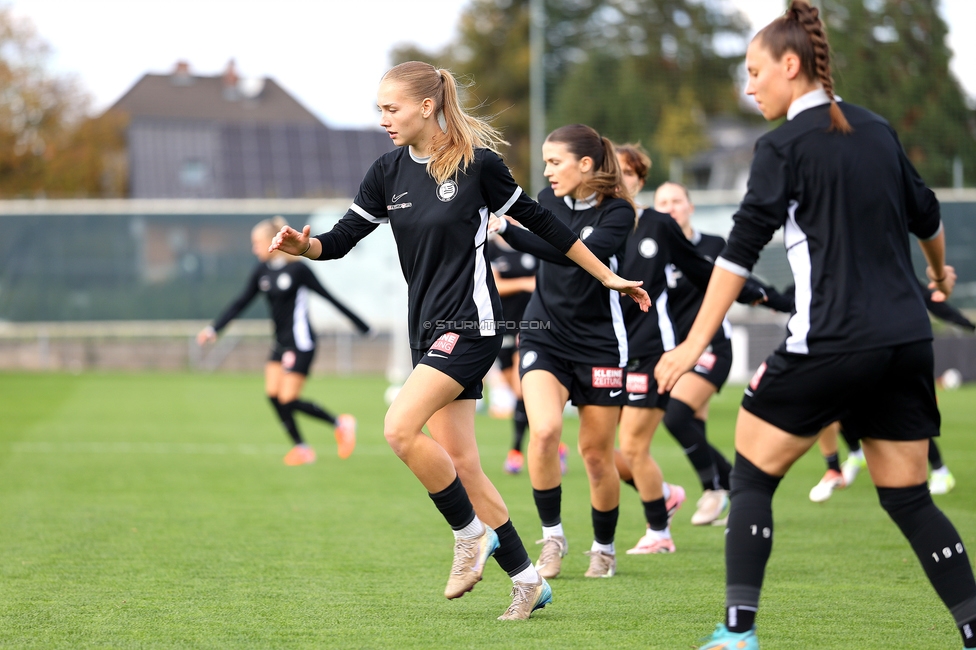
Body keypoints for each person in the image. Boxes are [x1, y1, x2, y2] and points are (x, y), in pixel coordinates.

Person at [269, 63, 650, 620]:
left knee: (399, 428)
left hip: (472, 326)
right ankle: (527, 581)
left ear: (427, 106)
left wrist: (606, 275)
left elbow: (546, 225)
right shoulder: (386, 171)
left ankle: (470, 535)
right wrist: (306, 248)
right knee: (463, 464)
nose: (383, 120)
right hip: (426, 329)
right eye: (379, 109)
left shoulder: (478, 166)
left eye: (391, 109)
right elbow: (342, 240)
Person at [655, 3, 976, 647]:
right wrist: (939, 275)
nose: (749, 87)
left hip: (833, 339)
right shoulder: (878, 130)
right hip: (908, 338)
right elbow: (929, 213)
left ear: (791, 65)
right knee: (910, 499)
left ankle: (738, 632)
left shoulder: (781, 146)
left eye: (754, 72)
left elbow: (737, 254)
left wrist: (691, 344)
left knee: (749, 474)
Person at [612, 144, 777, 554]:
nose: (670, 207)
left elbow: (727, 279)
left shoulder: (691, 238)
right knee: (611, 454)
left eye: (676, 201)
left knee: (676, 417)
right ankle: (683, 491)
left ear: (688, 205)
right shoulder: (611, 228)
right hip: (628, 350)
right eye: (664, 202)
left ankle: (716, 488)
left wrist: (769, 297)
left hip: (697, 349)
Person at [490, 124, 637, 579]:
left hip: (600, 344)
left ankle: (604, 547)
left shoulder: (619, 213)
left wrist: (510, 233)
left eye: (555, 162)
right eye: (546, 162)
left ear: (586, 164)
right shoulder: (545, 200)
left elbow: (577, 253)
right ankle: (552, 538)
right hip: (544, 335)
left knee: (596, 455)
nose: (547, 171)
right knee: (545, 431)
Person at [197, 216, 367, 466]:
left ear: (271, 242)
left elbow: (329, 297)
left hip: (302, 344)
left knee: (288, 399)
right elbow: (240, 302)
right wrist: (214, 328)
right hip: (280, 344)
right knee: (273, 394)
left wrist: (362, 325)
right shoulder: (261, 271)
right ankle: (302, 448)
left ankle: (341, 424)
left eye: (257, 243)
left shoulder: (298, 269)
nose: (254, 249)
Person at [809, 286, 974, 501]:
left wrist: (969, 324)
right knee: (838, 404)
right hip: (863, 351)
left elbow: (933, 302)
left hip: (895, 352)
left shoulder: (895, 272)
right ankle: (854, 456)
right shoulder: (848, 274)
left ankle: (941, 472)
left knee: (905, 415)